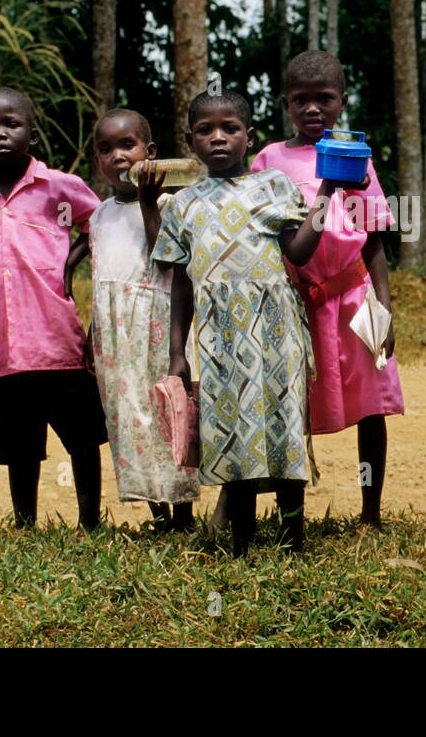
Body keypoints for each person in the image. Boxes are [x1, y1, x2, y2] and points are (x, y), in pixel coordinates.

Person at [153, 89, 353, 556]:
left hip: (277, 331)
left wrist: (326, 191)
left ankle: (292, 539)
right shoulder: (181, 205)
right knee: (231, 433)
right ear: (189, 140)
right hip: (219, 339)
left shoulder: (274, 186)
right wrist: (177, 352)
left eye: (230, 129)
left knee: (284, 425)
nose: (218, 138)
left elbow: (298, 252)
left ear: (249, 136)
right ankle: (241, 543)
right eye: (205, 130)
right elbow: (180, 283)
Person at [250, 50, 404, 528]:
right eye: (301, 99)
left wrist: (383, 305)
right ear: (285, 104)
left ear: (343, 101)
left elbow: (372, 237)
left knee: (370, 407)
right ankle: (290, 516)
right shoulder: (269, 160)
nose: (313, 108)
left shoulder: (357, 157)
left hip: (355, 297)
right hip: (294, 304)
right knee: (289, 404)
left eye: (325, 98)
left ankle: (370, 513)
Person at [0, 87, 107, 531]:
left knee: (82, 439)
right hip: (2, 349)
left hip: (56, 341)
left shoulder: (57, 188)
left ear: (33, 135)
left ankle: (89, 523)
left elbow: (98, 222)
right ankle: (24, 524)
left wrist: (70, 263)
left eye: (12, 124)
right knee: (18, 447)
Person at [84, 107, 199, 531]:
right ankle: (157, 512)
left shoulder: (170, 205)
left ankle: (183, 514)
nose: (117, 156)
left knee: (167, 414)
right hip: (115, 335)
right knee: (129, 417)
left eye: (127, 146)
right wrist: (93, 333)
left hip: (158, 324)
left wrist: (149, 203)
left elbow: (167, 260)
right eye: (106, 149)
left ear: (150, 153)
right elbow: (101, 280)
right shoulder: (99, 214)